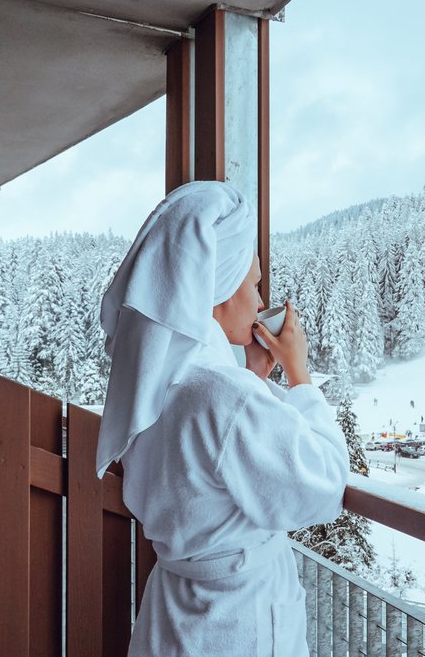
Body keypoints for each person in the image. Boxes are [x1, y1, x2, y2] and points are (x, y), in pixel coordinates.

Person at [97, 182, 347, 656]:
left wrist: (252, 377)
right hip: (236, 622)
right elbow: (322, 486)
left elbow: (207, 464)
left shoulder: (153, 381)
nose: (259, 301)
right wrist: (300, 374)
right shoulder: (221, 394)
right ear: (219, 287)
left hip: (173, 615)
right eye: (253, 284)